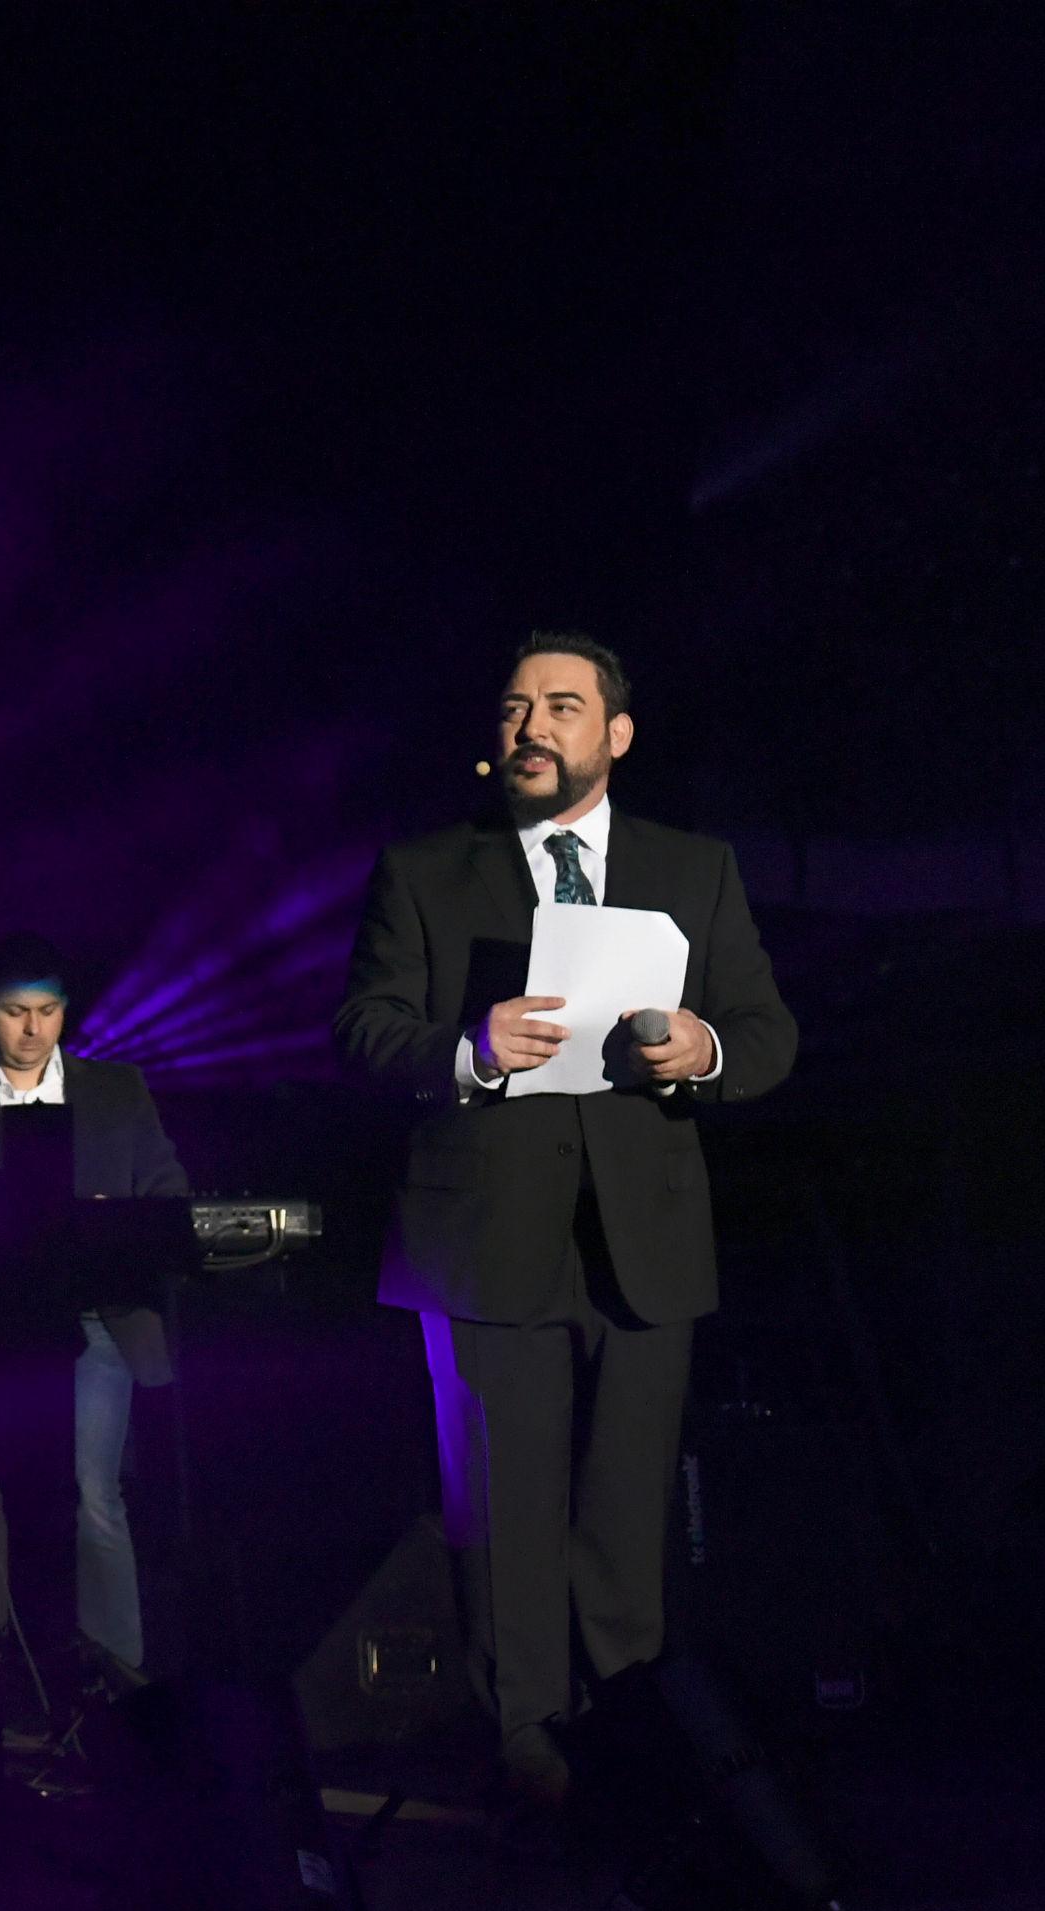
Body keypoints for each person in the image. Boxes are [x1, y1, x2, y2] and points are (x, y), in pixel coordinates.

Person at [332, 632, 796, 1825]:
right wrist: (468, 1047)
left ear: (616, 734)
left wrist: (706, 1048)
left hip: (644, 1234)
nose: (531, 726)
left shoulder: (693, 864)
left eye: (562, 705)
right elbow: (366, 1029)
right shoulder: (427, 870)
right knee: (504, 1508)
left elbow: (766, 1030)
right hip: (483, 1234)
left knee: (630, 1506)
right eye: (514, 707)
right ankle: (528, 1735)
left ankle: (633, 1726)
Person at [0, 932, 190, 1717]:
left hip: (99, 1314)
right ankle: (46, 1661)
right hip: (13, 1324)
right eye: (16, 1012)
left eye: (47, 1011)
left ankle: (116, 1670)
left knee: (88, 1486)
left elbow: (168, 1190)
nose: (33, 1028)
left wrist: (113, 1220)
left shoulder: (116, 1089)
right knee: (28, 1492)